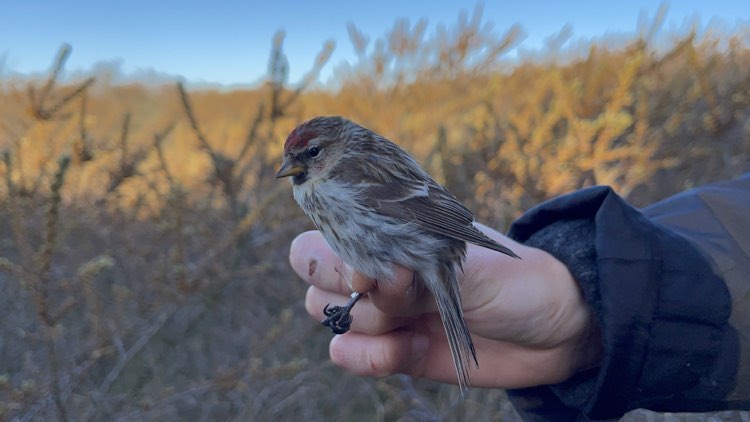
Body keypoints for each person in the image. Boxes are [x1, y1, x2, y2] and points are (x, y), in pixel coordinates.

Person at [288, 173, 750, 420]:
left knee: (381, 281)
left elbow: (417, 207)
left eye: (308, 157)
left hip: (423, 242)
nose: (293, 172)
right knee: (371, 286)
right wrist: (579, 309)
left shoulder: (347, 177)